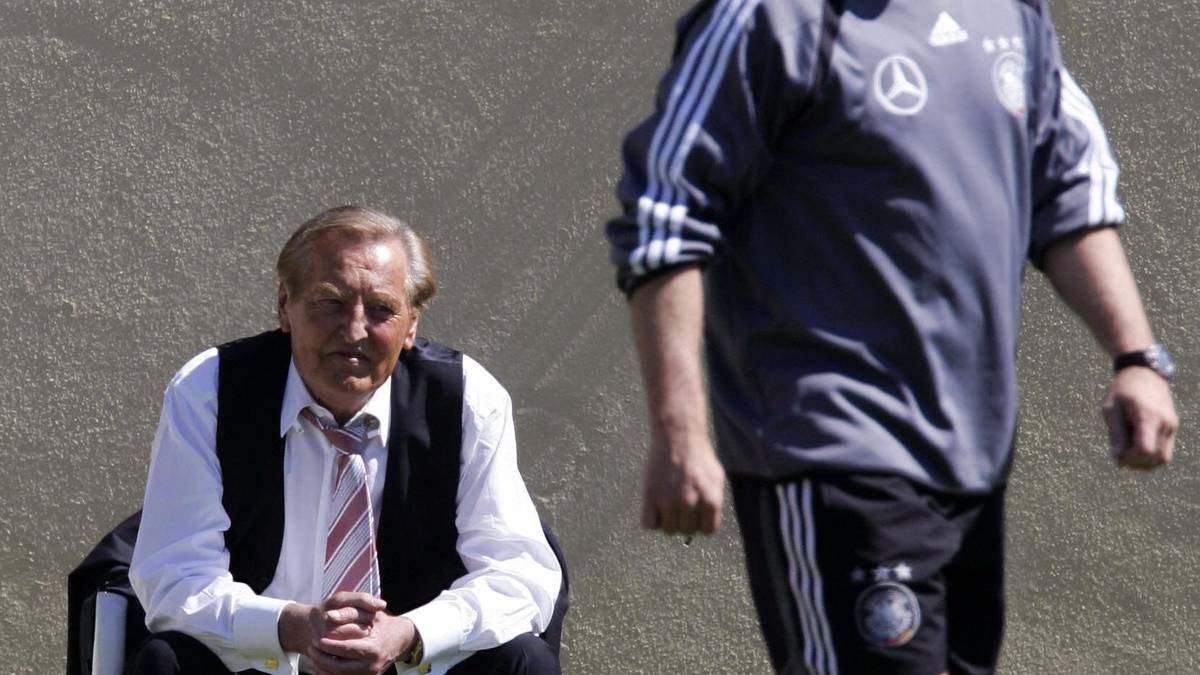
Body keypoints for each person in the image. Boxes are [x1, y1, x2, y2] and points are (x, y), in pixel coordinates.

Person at [605, 1, 1178, 673]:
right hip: (829, 451)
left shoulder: (1013, 16)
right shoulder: (766, 19)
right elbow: (665, 217)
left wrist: (1136, 356)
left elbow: (1068, 191)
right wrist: (680, 431)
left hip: (973, 462)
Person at [129, 206, 563, 675]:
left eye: (381, 309)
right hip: (264, 663)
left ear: (411, 323)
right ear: (284, 306)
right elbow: (173, 577)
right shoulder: (209, 390)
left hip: (411, 665)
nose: (354, 330)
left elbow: (521, 576)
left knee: (524, 661)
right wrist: (292, 626)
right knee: (166, 661)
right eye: (331, 302)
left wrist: (409, 633)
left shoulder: (467, 399)